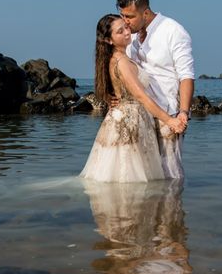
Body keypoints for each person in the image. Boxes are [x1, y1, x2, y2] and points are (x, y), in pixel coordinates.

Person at [80, 14, 186, 183]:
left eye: (126, 27)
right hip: (130, 121)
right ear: (109, 40)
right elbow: (140, 96)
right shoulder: (121, 61)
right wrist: (169, 120)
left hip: (128, 118)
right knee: (129, 178)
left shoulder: (118, 58)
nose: (127, 33)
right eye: (120, 31)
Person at [116, 0, 194, 180]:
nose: (125, 22)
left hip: (168, 112)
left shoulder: (173, 31)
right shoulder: (130, 35)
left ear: (146, 12)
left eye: (130, 16)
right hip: (139, 114)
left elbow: (186, 76)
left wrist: (183, 112)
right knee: (145, 174)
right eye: (122, 16)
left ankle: (174, 209)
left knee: (170, 172)